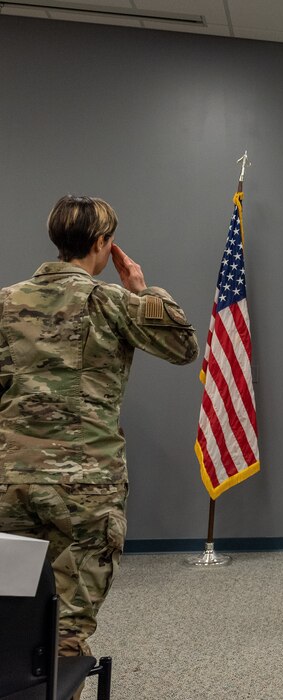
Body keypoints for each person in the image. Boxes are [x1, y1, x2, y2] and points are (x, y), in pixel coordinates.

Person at [0, 195, 199, 659]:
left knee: (9, 609)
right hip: (83, 484)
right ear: (103, 243)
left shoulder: (6, 301)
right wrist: (141, 289)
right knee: (67, 627)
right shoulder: (111, 300)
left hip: (10, 477)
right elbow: (182, 347)